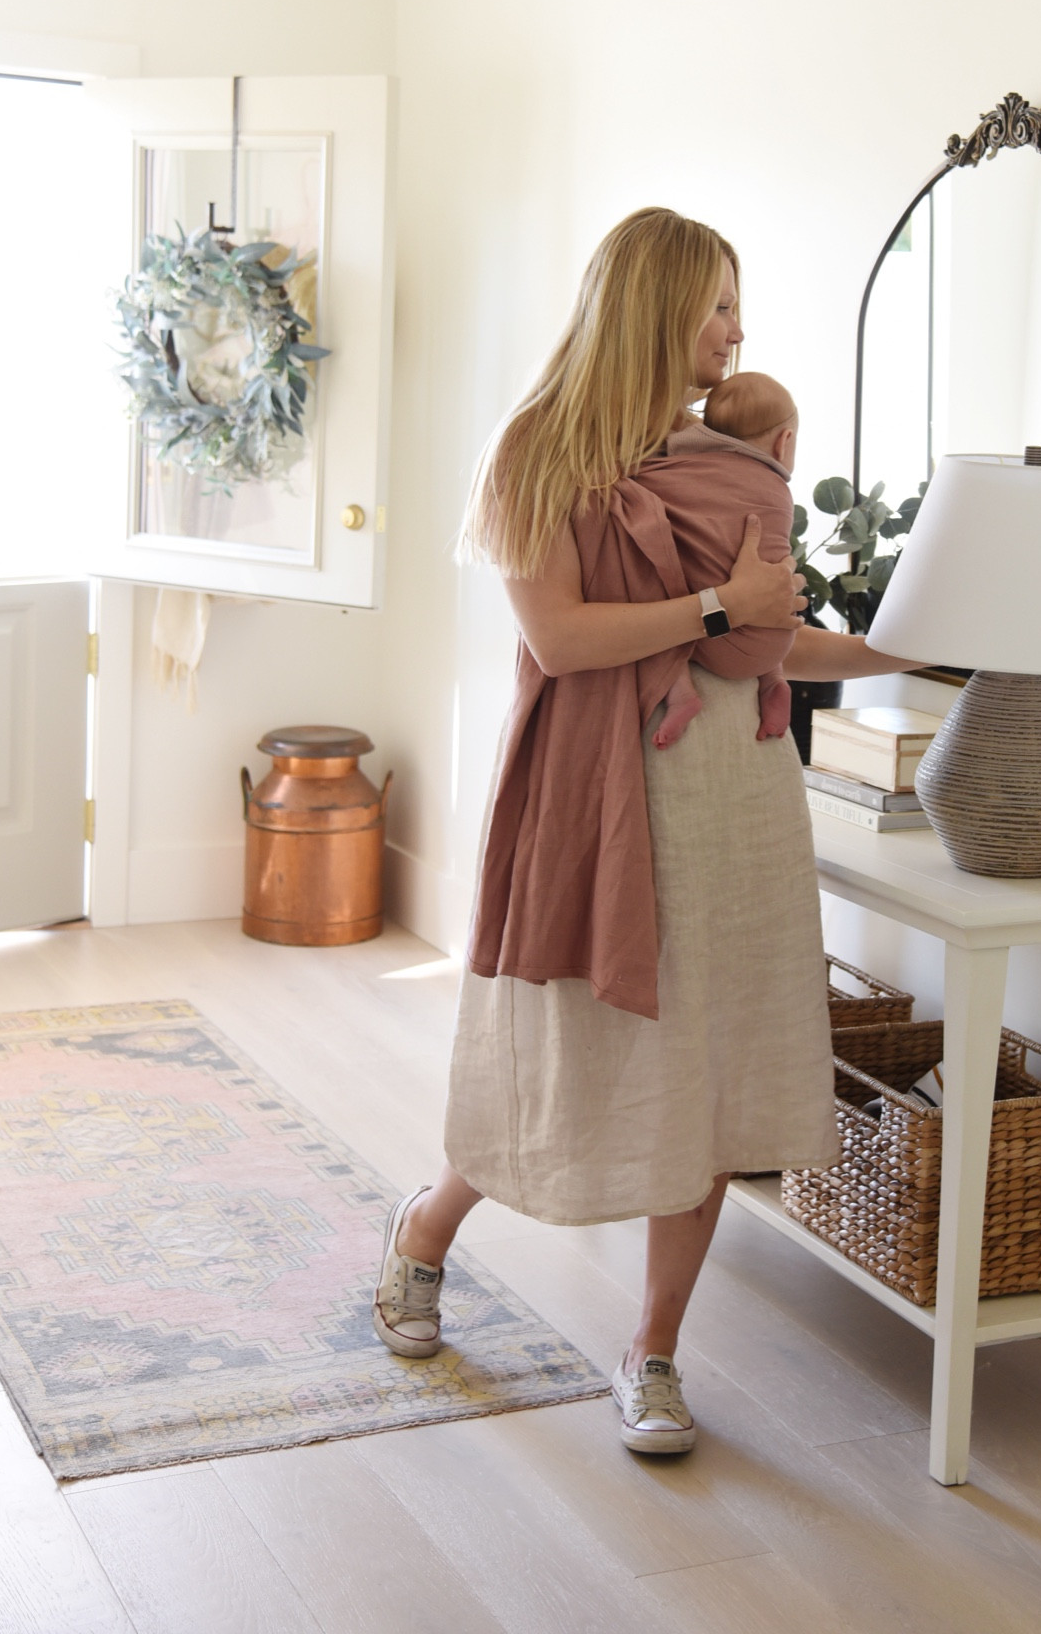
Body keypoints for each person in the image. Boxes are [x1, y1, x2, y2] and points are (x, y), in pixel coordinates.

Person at [371, 207, 918, 1455]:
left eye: (739, 306)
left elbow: (766, 642)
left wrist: (909, 645)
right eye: (719, 304)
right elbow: (560, 639)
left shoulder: (730, 465)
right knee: (563, 1058)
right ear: (657, 305)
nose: (738, 329)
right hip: (598, 793)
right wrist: (721, 601)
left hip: (738, 795)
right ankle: (426, 1226)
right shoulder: (535, 452)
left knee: (710, 1075)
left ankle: (654, 1349)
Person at [651, 369, 800, 750]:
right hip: (777, 637)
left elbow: (638, 490)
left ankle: (681, 692)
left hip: (710, 639)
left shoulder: (681, 473)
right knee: (774, 574)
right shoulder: (777, 491)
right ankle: (773, 682)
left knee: (653, 599)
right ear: (784, 443)